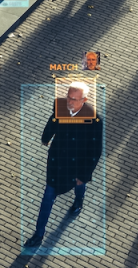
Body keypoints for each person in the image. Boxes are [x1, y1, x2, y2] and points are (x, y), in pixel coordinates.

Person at [23, 82, 104, 248]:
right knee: (48, 196)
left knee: (79, 184)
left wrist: (84, 175)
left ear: (84, 100)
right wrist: (46, 137)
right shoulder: (60, 106)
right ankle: (39, 234)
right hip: (57, 161)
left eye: (74, 99)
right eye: (68, 97)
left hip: (76, 165)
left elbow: (95, 151)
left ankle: (79, 200)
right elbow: (53, 120)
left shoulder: (94, 121)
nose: (69, 102)